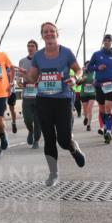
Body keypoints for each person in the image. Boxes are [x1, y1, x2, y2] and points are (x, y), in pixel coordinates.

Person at [26, 22, 86, 186]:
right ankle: (53, 173)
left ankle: (73, 148)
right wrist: (24, 77)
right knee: (49, 139)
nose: (49, 34)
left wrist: (74, 78)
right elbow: (32, 77)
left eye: (52, 31)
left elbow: (79, 70)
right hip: (44, 100)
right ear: (42, 35)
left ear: (57, 34)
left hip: (63, 99)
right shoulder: (38, 56)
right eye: (45, 32)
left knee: (64, 140)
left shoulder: (66, 53)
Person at [87, 34, 112, 143]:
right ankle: (108, 126)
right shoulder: (96, 54)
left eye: (109, 40)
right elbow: (89, 68)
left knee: (108, 108)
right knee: (102, 110)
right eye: (105, 40)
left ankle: (108, 131)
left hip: (111, 84)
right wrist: (98, 67)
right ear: (103, 42)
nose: (107, 42)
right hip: (99, 85)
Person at [17, 39, 42, 149]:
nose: (30, 48)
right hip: (27, 93)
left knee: (38, 119)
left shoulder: (42, 60)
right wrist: (18, 81)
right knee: (27, 118)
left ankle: (36, 140)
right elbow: (18, 74)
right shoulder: (22, 61)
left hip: (40, 94)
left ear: (36, 48)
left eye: (32, 46)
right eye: (28, 46)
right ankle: (30, 131)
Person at [79, 63, 96, 131]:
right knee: (85, 109)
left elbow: (98, 81)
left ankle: (89, 125)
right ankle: (86, 117)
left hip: (92, 93)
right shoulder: (82, 73)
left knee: (90, 108)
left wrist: (95, 82)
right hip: (84, 93)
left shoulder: (94, 73)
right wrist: (82, 79)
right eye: (87, 66)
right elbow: (77, 83)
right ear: (85, 66)